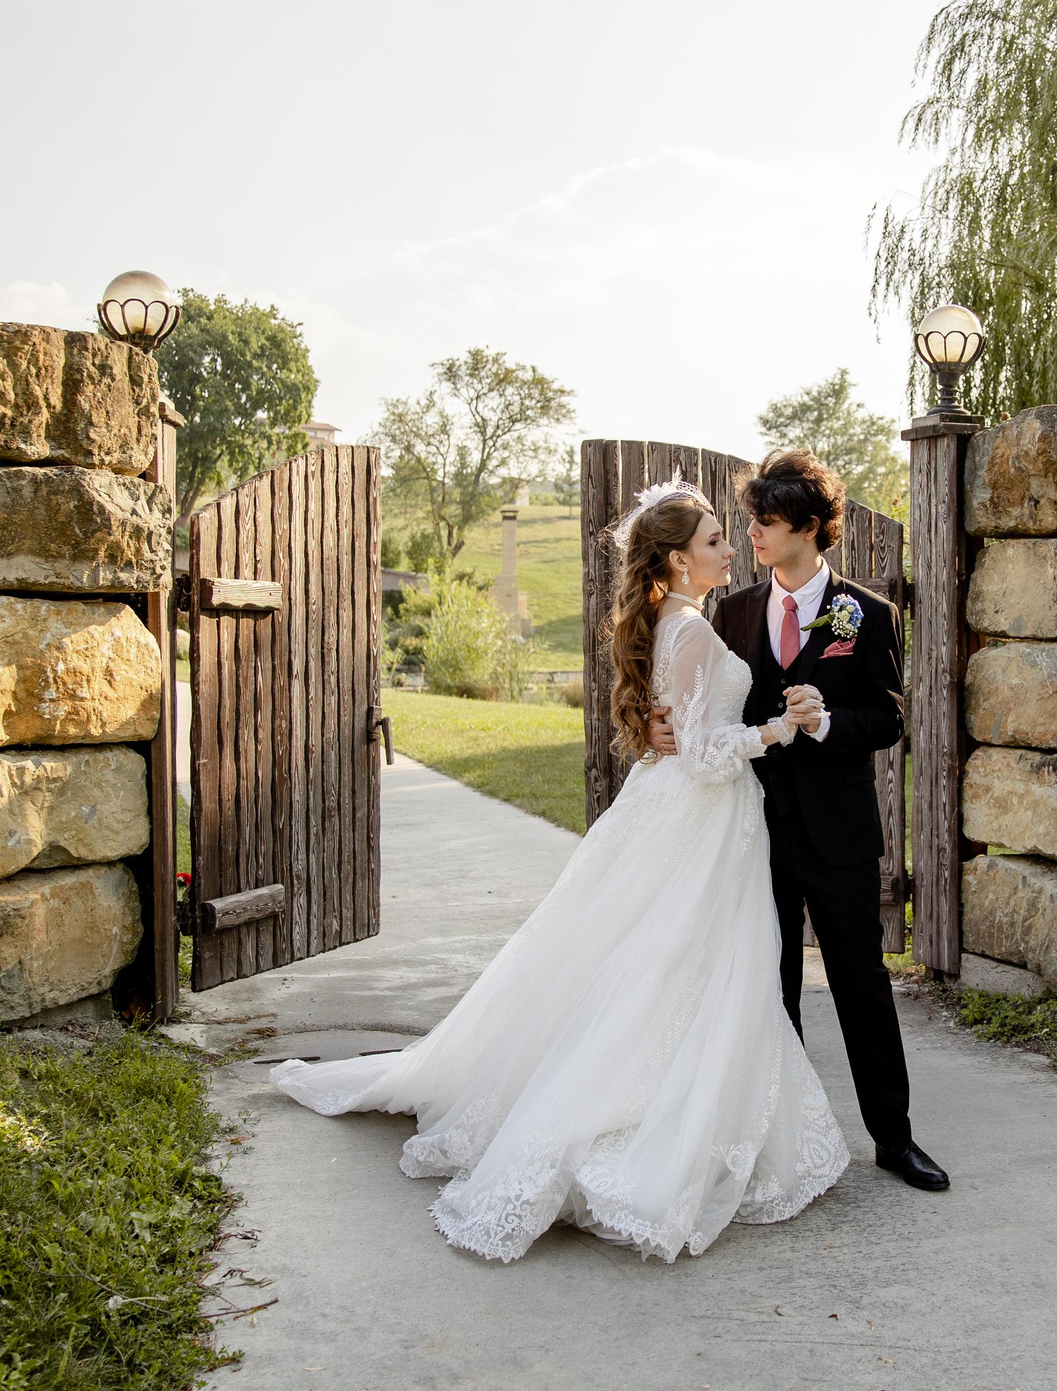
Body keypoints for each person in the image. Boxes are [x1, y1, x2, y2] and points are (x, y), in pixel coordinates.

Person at [275, 480, 848, 1262]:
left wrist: (698, 727)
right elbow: (708, 756)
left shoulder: (684, 620)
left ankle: (691, 1109)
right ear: (680, 560)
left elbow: (679, 731)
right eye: (715, 538)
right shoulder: (685, 629)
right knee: (678, 965)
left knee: (685, 964)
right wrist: (781, 727)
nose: (728, 547)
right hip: (700, 817)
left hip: (699, 820)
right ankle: (636, 1126)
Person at [654, 449, 948, 1194]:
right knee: (769, 987)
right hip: (753, 829)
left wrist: (822, 725)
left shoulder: (867, 613)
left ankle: (895, 1138)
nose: (750, 530)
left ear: (810, 529)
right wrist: (666, 730)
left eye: (766, 519)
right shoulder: (735, 608)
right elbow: (711, 711)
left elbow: (886, 719)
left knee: (861, 986)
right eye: (747, 519)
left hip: (840, 835)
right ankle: (772, 1141)